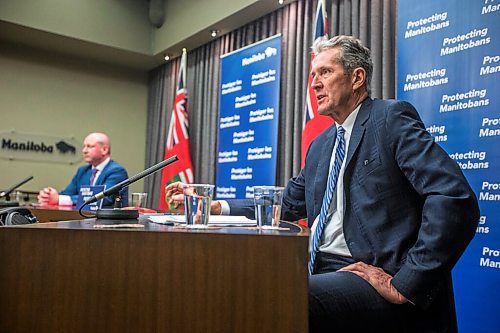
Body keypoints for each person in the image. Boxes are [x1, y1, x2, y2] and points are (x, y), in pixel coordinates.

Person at [165, 35, 479, 332]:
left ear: (357, 78)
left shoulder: (390, 119)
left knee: (273, 299)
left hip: (368, 275)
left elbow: (453, 197)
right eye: (313, 74)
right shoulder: (321, 144)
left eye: (325, 72)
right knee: (230, 285)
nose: (314, 83)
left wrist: (406, 283)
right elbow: (286, 204)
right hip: (317, 267)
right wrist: (212, 204)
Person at [38, 132, 129, 207]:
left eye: (90, 146)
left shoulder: (117, 171)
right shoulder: (82, 171)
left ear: (104, 150)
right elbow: (68, 193)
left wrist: (59, 199)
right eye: (84, 146)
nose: (84, 150)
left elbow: (103, 198)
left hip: (108, 224)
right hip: (83, 220)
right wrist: (49, 196)